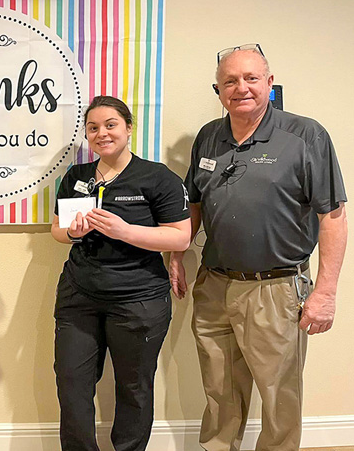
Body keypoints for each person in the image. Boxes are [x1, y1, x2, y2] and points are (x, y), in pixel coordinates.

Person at [169, 44, 348, 451]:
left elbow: (333, 217)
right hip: (214, 286)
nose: (241, 88)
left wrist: (325, 292)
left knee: (278, 397)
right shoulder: (209, 137)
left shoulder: (305, 135)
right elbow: (193, 204)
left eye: (251, 78)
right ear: (217, 90)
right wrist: (177, 254)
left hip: (276, 289)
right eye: (230, 81)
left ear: (270, 83)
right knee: (218, 392)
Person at [50, 95, 191, 451]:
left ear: (128, 128)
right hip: (79, 298)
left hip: (138, 302)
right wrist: (73, 233)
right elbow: (56, 229)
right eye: (93, 127)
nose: (102, 133)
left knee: (134, 389)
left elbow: (181, 236)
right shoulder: (78, 177)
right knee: (72, 384)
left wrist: (123, 230)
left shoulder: (157, 177)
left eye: (111, 125)